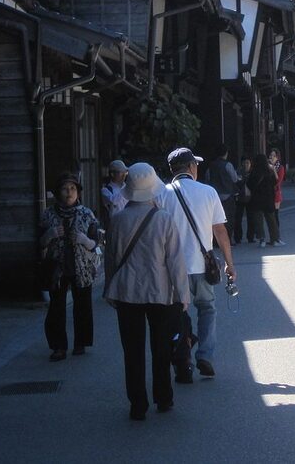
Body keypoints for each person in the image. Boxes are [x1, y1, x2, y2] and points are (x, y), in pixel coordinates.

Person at [103, 163, 190, 420]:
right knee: (161, 348)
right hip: (160, 292)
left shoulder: (117, 220)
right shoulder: (163, 219)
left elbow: (111, 259)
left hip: (127, 292)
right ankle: (163, 398)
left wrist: (109, 289)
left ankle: (137, 404)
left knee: (133, 350)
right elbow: (175, 260)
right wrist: (182, 294)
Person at [158, 147, 237, 382]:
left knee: (178, 314)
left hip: (172, 269)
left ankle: (183, 361)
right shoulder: (208, 192)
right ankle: (206, 356)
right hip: (202, 265)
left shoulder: (162, 194)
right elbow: (220, 231)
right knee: (207, 308)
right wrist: (229, 264)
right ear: (191, 167)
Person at [39, 172, 101, 362]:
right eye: (65, 189)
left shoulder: (86, 213)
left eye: (73, 188)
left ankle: (80, 343)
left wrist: (84, 240)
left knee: (83, 306)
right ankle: (58, 346)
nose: (69, 192)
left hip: (81, 266)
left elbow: (96, 243)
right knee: (56, 307)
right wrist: (50, 235)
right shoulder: (48, 214)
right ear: (58, 192)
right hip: (57, 267)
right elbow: (39, 242)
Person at [205, 145, 240, 244]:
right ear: (226, 153)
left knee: (215, 219)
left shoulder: (211, 166)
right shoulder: (228, 165)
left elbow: (207, 178)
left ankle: (216, 241)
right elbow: (234, 179)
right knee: (229, 218)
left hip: (215, 196)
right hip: (227, 195)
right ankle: (228, 239)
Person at [246, 153, 282, 247]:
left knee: (258, 220)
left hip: (256, 199)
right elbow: (275, 182)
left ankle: (261, 239)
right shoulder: (269, 171)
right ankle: (274, 239)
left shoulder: (253, 172)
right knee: (271, 219)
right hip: (268, 198)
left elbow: (249, 184)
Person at [100, 160, 128, 229]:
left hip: (128, 223)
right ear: (112, 174)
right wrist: (126, 188)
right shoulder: (106, 190)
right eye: (121, 172)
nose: (124, 175)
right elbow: (114, 201)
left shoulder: (126, 187)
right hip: (115, 226)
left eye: (125, 172)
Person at [233, 155, 253, 243]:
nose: (246, 165)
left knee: (251, 218)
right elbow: (235, 184)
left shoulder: (253, 172)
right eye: (244, 163)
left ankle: (251, 237)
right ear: (241, 163)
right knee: (238, 218)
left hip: (250, 198)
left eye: (248, 163)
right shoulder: (237, 172)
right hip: (240, 198)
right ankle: (238, 237)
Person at [269, 148, 286, 227]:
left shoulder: (280, 167)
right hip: (268, 192)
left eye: (274, 156)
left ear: (277, 157)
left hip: (275, 192)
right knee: (269, 215)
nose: (272, 157)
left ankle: (277, 233)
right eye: (271, 155)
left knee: (275, 214)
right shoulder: (267, 166)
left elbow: (278, 181)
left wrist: (274, 170)